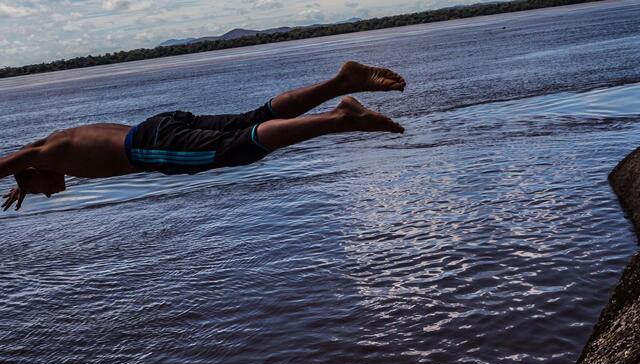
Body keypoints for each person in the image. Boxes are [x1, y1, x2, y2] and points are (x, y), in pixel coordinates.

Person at [1, 61, 406, 212]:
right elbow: (19, 165)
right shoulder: (52, 148)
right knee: (256, 117)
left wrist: (15, 173)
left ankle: (338, 118)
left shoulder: (47, 152)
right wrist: (21, 183)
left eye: (40, 192)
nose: (53, 195)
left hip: (149, 147)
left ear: (34, 171)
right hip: (158, 125)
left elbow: (10, 163)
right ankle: (341, 81)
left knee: (236, 151)